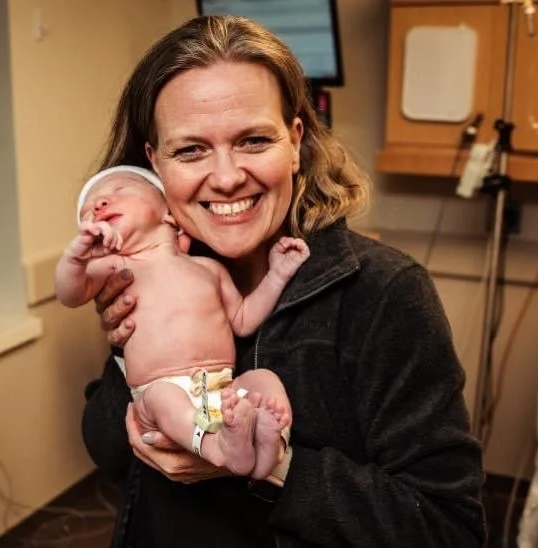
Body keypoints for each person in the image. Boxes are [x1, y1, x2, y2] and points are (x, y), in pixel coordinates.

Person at [81, 15, 487, 547]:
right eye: (190, 150)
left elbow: (447, 527)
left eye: (253, 140)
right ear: (155, 164)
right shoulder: (153, 272)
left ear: (295, 142)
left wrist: (273, 466)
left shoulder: (385, 295)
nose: (226, 177)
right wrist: (124, 355)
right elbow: (109, 453)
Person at [56, 165, 309, 480]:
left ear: (168, 213)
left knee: (262, 380)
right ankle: (217, 447)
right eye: (88, 210)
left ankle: (269, 445)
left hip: (220, 387)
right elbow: (69, 293)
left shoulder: (208, 268)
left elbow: (244, 320)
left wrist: (278, 274)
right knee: (164, 398)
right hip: (158, 393)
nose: (99, 204)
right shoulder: (114, 270)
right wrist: (76, 257)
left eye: (119, 190)